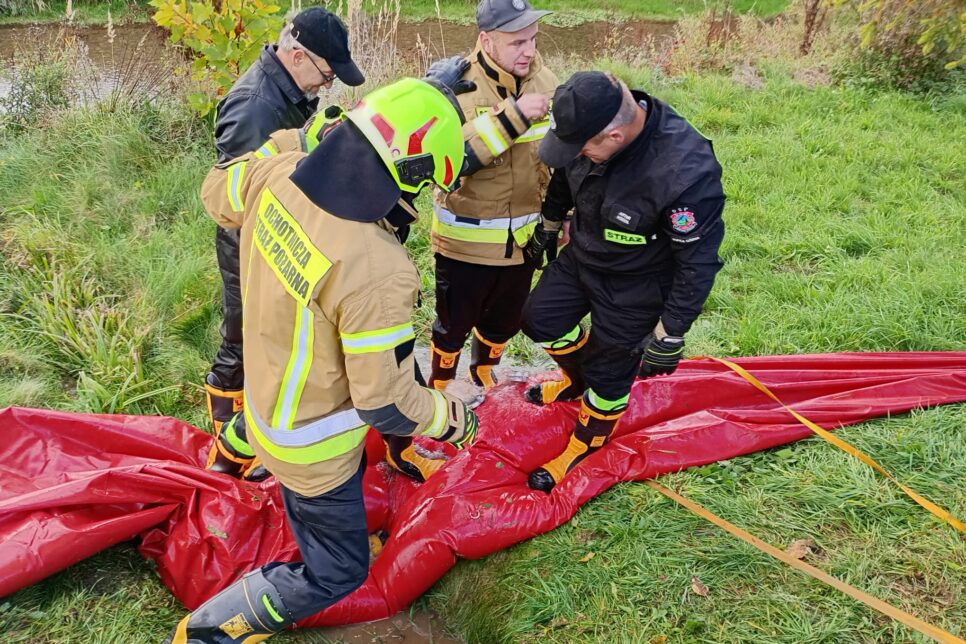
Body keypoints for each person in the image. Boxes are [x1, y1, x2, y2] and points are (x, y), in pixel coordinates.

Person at [165, 78, 481, 644]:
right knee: (339, 570)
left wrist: (289, 139)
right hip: (310, 447)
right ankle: (210, 630)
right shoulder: (377, 268)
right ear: (407, 175)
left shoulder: (278, 173)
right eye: (427, 182)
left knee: (270, 449)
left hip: (261, 399)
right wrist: (454, 419)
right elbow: (386, 405)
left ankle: (226, 467)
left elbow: (217, 192)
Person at [521, 71, 726, 493]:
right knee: (539, 318)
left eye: (583, 149)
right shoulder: (586, 119)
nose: (577, 154)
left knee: (610, 373)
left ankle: (587, 442)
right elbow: (563, 175)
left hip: (638, 282)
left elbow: (697, 262)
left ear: (614, 136)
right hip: (584, 256)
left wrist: (670, 334)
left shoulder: (684, 172)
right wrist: (549, 224)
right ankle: (576, 379)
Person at [205, 7, 364, 470]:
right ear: (297, 54)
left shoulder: (290, 88)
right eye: (326, 74)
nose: (326, 85)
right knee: (242, 334)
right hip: (249, 242)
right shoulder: (255, 106)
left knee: (273, 335)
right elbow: (240, 194)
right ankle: (224, 429)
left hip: (281, 234)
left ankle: (249, 425)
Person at [427, 0, 558, 394]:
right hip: (464, 244)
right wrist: (513, 116)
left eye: (533, 40)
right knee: (452, 325)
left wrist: (562, 216)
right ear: (486, 40)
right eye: (517, 42)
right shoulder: (454, 86)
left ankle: (484, 375)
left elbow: (559, 159)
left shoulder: (546, 81)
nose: (529, 51)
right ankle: (442, 388)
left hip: (523, 242)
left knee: (505, 321)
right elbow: (450, 163)